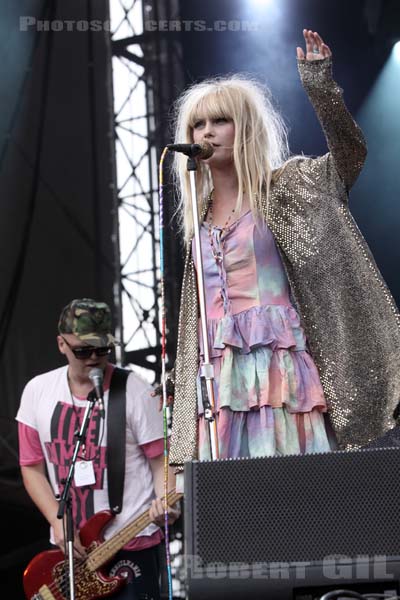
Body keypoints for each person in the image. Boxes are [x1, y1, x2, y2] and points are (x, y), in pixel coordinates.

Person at [167, 29, 400, 470]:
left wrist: (321, 88)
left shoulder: (287, 188)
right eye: (198, 124)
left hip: (279, 369)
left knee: (294, 492)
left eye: (220, 121)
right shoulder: (196, 218)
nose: (207, 132)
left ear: (245, 128)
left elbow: (349, 157)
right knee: (229, 501)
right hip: (219, 378)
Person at [16, 298, 179, 600]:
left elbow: (162, 461)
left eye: (102, 349)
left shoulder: (134, 389)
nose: (93, 358)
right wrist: (57, 519)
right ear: (61, 344)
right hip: (72, 554)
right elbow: (31, 466)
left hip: (131, 542)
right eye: (83, 350)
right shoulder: (37, 392)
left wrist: (166, 501)